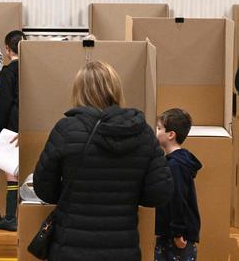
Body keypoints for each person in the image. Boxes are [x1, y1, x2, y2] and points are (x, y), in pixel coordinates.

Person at [33, 61, 173, 261]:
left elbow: (44, 189)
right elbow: (159, 194)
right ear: (115, 89)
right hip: (122, 248)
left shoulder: (66, 130)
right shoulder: (143, 133)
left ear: (78, 91)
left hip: (70, 248)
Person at [0, 30, 26, 232]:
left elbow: (3, 104)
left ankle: (11, 217)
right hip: (29, 124)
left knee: (10, 173)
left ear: (6, 49)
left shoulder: (8, 72)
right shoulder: (32, 69)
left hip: (11, 125)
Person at [155, 108, 200, 261]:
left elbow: (178, 198)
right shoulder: (175, 162)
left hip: (176, 236)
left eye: (159, 128)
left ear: (171, 134)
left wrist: (178, 232)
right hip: (171, 232)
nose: (156, 131)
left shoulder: (176, 165)